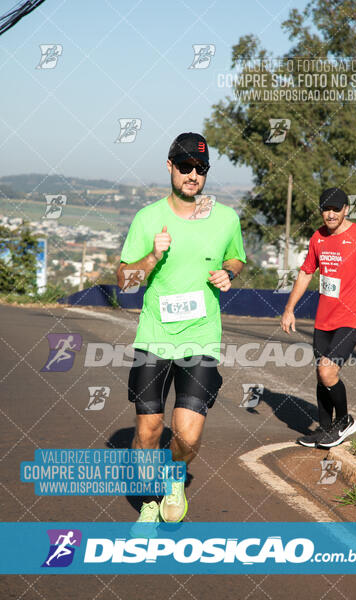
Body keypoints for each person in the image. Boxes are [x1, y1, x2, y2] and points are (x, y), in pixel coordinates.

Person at [117, 132, 246, 523]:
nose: (193, 174)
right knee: (148, 434)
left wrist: (228, 273)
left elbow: (236, 258)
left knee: (187, 435)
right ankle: (151, 500)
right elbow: (124, 281)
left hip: (201, 337)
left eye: (200, 168)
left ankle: (174, 480)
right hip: (155, 337)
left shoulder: (226, 219)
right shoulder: (147, 218)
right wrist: (154, 256)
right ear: (170, 166)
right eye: (186, 166)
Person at [281, 188, 356, 448]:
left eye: (336, 209)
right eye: (326, 209)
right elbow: (306, 272)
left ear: (346, 209)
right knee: (321, 374)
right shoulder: (318, 237)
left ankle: (345, 421)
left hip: (351, 319)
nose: (330, 214)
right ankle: (325, 429)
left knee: (327, 371)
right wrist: (289, 308)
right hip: (324, 319)